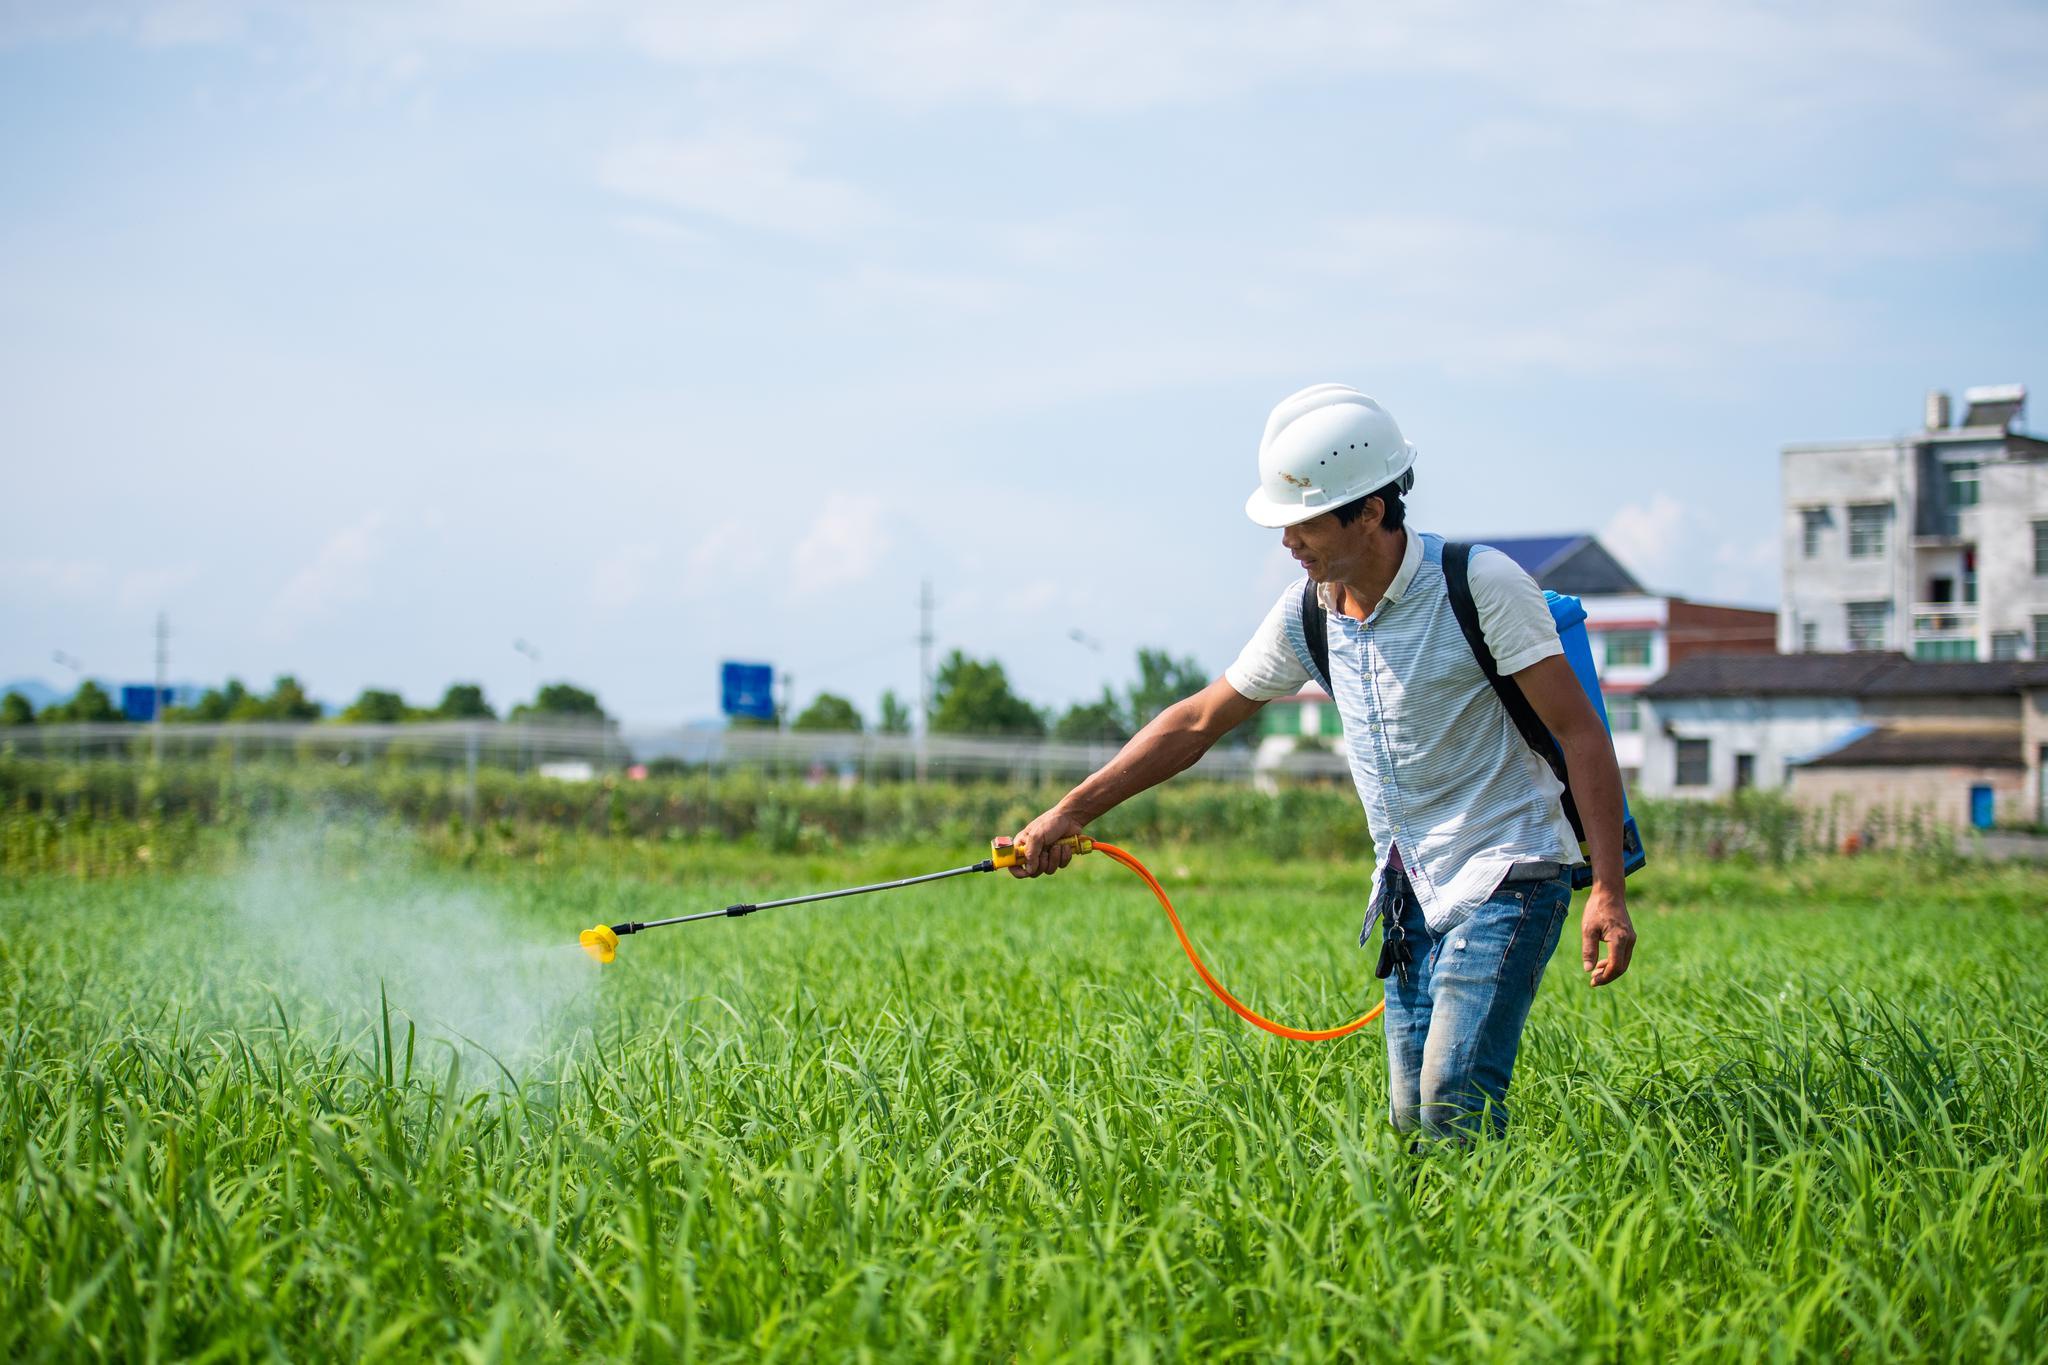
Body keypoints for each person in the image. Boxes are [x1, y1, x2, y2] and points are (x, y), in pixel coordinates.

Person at [1009, 384, 1635, 1140]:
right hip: (1411, 890)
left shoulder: (1481, 586)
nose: (1286, 542)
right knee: (1413, 1121)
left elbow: (1581, 734)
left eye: (1301, 521)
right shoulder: (1309, 612)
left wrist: (1606, 889)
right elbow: (1200, 720)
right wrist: (1072, 811)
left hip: (1512, 867)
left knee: (1450, 1105)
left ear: (1370, 510)